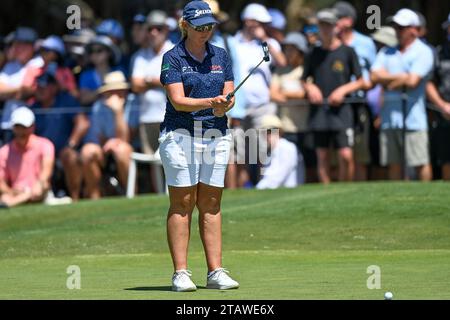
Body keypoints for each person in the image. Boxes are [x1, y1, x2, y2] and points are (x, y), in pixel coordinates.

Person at [159, 0, 239, 292]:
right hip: (179, 135)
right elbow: (178, 101)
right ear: (185, 26)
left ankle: (215, 271)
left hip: (215, 134)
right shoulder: (173, 57)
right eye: (200, 27)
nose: (206, 31)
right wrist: (211, 102)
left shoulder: (221, 55)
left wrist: (223, 106)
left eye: (210, 26)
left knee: (212, 203)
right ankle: (180, 273)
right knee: (182, 202)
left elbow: (228, 95)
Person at [226, 3, 287, 189]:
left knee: (261, 151)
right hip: (238, 106)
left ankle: (262, 187)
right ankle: (240, 189)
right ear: (248, 21)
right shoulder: (232, 43)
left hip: (262, 105)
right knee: (239, 152)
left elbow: (282, 62)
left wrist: (264, 40)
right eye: (259, 22)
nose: (263, 26)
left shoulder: (268, 43)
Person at [301, 9, 364, 184]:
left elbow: (361, 81)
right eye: (322, 25)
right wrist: (310, 87)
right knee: (322, 155)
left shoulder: (348, 51)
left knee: (345, 154)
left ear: (336, 27)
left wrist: (342, 90)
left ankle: (344, 190)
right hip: (320, 109)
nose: (325, 29)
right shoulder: (312, 53)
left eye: (328, 25)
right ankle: (326, 191)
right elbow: (304, 79)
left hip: (342, 110)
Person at [371, 9, 435, 181]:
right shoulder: (386, 52)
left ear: (414, 29)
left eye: (401, 27)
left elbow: (413, 81)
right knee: (394, 164)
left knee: (419, 161)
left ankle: (425, 197)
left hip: (413, 118)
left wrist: (388, 80)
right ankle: (396, 200)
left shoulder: (424, 51)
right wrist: (401, 77)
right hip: (389, 119)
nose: (397, 31)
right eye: (396, 27)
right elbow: (374, 76)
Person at [333, 1, 377, 181]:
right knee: (338, 156)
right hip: (335, 105)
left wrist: (350, 88)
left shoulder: (365, 43)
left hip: (357, 104)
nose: (333, 23)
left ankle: (357, 193)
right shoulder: (328, 43)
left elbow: (373, 78)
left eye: (337, 19)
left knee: (359, 155)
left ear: (348, 21)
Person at [31, 71, 89, 201]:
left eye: (43, 86)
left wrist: (71, 144)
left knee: (70, 156)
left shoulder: (66, 100)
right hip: (42, 155)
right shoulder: (34, 107)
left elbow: (83, 123)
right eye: (37, 86)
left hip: (64, 150)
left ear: (54, 87)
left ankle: (75, 199)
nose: (39, 90)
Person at [81, 71, 138, 199]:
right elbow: (99, 138)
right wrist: (111, 142)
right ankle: (95, 198)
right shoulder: (98, 106)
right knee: (87, 151)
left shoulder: (133, 102)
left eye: (118, 90)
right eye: (111, 91)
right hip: (106, 148)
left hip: (130, 149)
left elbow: (126, 139)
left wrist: (118, 112)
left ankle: (132, 194)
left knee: (121, 149)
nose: (114, 95)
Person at [270, 32, 314, 183]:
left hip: (306, 126)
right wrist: (295, 95)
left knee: (309, 164)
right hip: (287, 127)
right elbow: (273, 94)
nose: (288, 53)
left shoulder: (307, 70)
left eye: (292, 49)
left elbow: (306, 94)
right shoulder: (280, 71)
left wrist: (286, 94)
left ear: (300, 51)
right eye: (286, 49)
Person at [132, 10, 174, 156]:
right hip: (147, 118)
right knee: (153, 166)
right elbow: (135, 85)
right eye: (150, 28)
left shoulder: (176, 52)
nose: (154, 32)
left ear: (166, 30)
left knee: (173, 164)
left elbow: (176, 81)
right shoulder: (140, 55)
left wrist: (148, 80)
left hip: (171, 120)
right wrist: (160, 81)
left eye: (158, 28)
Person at [0, 107, 54, 208]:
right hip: (15, 192)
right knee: (5, 197)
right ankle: (20, 200)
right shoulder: (4, 152)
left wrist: (37, 185)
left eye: (24, 127)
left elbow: (46, 173)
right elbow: (1, 182)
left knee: (41, 188)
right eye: (18, 127)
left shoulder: (45, 144)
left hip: (39, 189)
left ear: (32, 127)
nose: (21, 132)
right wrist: (11, 192)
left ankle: (13, 203)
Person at [0, 27, 39, 140]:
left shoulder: (38, 64)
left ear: (31, 47)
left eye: (21, 45)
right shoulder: (11, 65)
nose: (17, 48)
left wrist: (12, 92)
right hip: (7, 124)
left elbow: (30, 91)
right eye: (16, 44)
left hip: (29, 126)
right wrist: (19, 90)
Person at [428, 13, 450, 180]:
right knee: (446, 160)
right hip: (445, 114)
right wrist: (442, 105)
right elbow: (429, 83)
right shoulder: (439, 52)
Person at [256, 115, 300, 189]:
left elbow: (278, 178)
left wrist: (258, 188)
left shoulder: (288, 148)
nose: (267, 135)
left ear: (279, 131)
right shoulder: (270, 152)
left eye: (271, 131)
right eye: (265, 132)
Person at [78, 36, 122, 106]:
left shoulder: (118, 73)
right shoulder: (86, 75)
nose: (95, 54)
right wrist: (103, 90)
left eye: (99, 50)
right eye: (92, 52)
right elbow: (84, 99)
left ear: (109, 53)